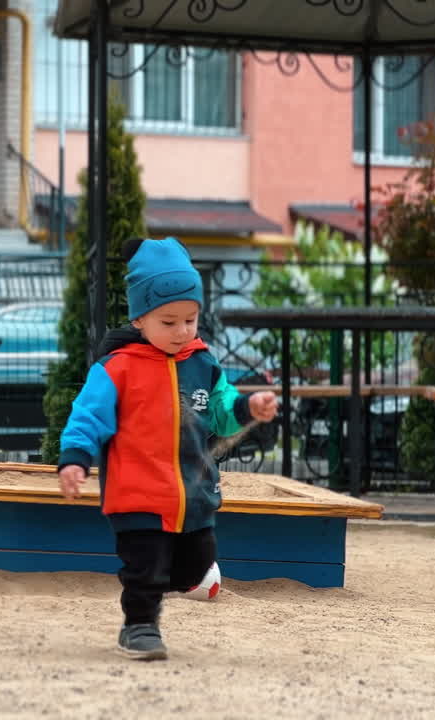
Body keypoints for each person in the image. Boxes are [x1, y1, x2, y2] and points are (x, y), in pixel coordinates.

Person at [56, 237, 279, 661]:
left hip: (193, 493)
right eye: (169, 322)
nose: (182, 332)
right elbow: (87, 417)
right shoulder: (116, 368)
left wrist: (249, 406)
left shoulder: (203, 363)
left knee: (197, 565)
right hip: (137, 495)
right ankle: (139, 627)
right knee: (144, 570)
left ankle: (165, 583)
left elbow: (221, 412)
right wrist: (75, 459)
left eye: (190, 320)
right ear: (140, 319)